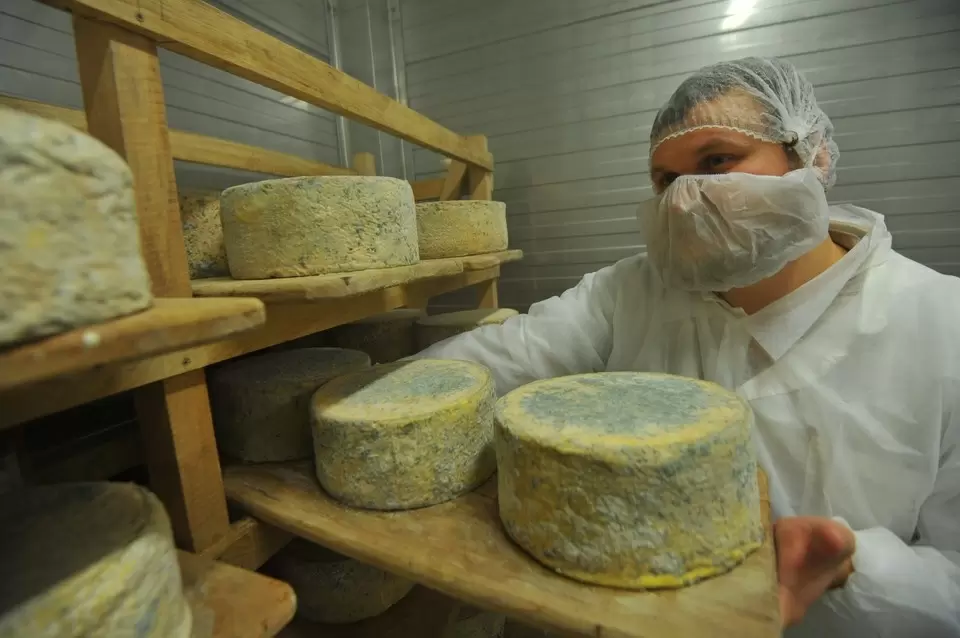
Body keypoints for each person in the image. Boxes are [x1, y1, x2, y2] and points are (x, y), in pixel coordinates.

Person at [414, 57, 960, 636]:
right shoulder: (632, 291)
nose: (684, 200)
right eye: (665, 180)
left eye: (717, 161)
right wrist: (371, 397)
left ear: (813, 156)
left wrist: (853, 569)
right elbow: (500, 358)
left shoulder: (940, 322)